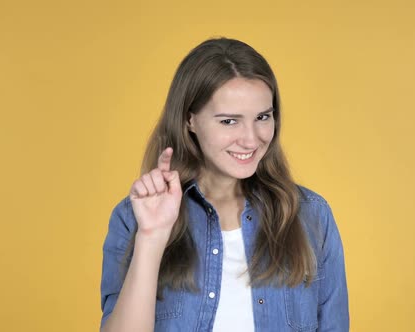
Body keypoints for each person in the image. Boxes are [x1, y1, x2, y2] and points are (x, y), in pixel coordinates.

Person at [100, 37, 350, 332]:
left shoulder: (311, 216)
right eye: (229, 121)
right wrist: (152, 237)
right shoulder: (133, 218)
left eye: (262, 117)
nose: (250, 138)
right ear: (189, 120)